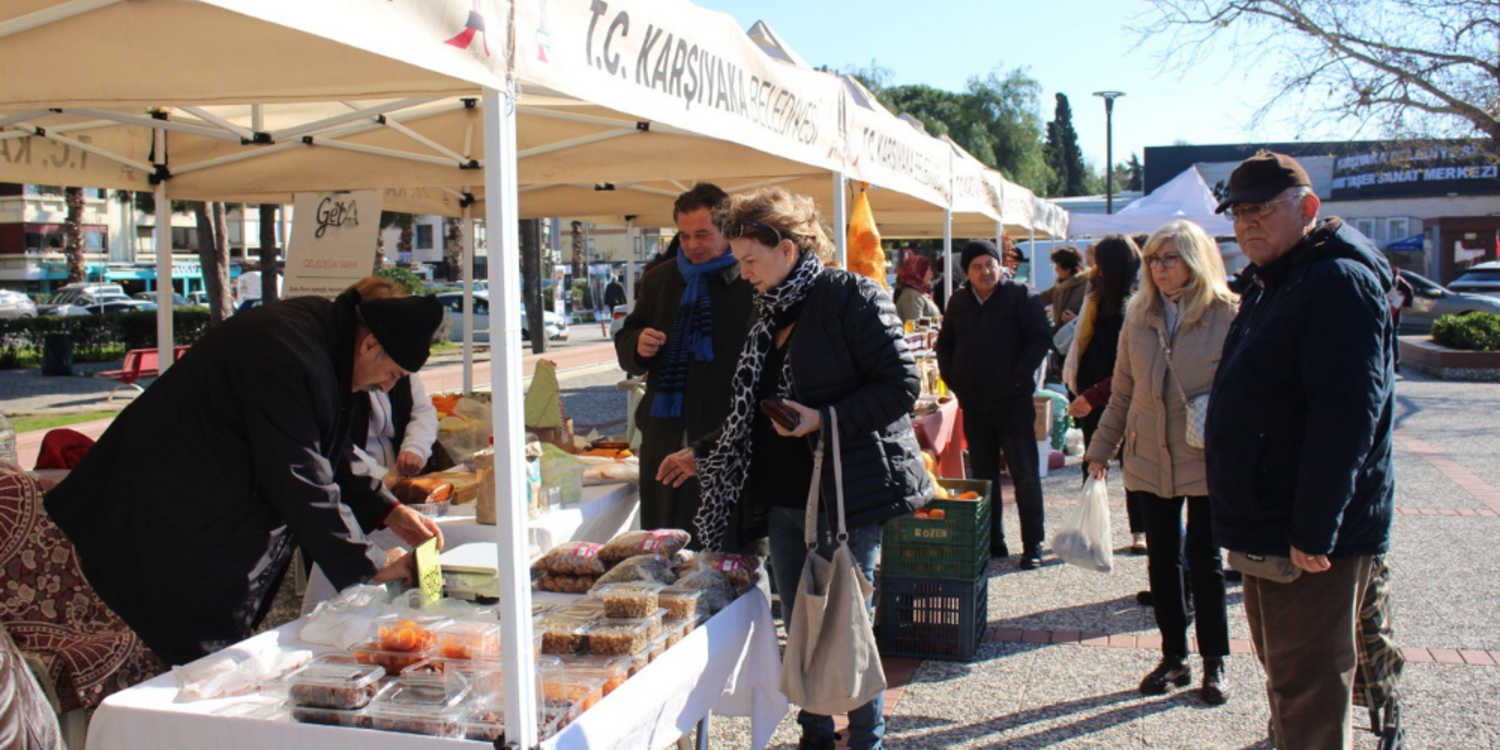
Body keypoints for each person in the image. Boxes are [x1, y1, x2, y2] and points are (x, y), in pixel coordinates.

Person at [40, 283, 447, 666]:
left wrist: (386, 509)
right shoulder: (293, 356)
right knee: (179, 662)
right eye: (391, 373)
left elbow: (329, 449)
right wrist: (369, 562)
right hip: (163, 519)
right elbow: (299, 473)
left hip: (193, 515)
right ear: (370, 343)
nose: (386, 386)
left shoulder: (325, 340)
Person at [657, 186, 932, 750]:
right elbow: (752, 411)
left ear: (787, 247)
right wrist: (705, 450)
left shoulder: (851, 294)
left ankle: (865, 738)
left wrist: (822, 419)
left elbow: (903, 385)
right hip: (783, 498)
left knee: (845, 622)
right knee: (802, 623)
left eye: (751, 260)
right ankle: (812, 734)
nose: (745, 272)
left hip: (844, 494)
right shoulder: (770, 307)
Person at [1206, 151, 1396, 749]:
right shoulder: (1277, 278)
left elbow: (1346, 418)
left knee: (1308, 685)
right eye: (1238, 211)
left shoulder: (1336, 281)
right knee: (1287, 674)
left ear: (1308, 208)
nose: (1246, 223)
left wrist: (1316, 528)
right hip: (1269, 519)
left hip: (1307, 533)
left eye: (1262, 208)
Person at [1084, 220, 1238, 705]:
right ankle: (1175, 657)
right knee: (1161, 561)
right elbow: (1123, 390)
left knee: (1205, 561)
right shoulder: (1139, 314)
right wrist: (1099, 451)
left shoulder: (1228, 314)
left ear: (1196, 260)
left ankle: (1215, 661)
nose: (1159, 267)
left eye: (1170, 258)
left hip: (1204, 454)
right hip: (1148, 454)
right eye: (1153, 259)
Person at [614, 184, 755, 545]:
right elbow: (627, 342)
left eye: (703, 235)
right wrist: (638, 344)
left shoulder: (750, 279)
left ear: (727, 230)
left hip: (723, 435)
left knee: (723, 545)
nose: (692, 245)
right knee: (664, 541)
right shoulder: (661, 279)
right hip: (665, 432)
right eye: (685, 235)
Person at [936, 239, 1052, 568]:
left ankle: (1033, 544)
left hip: (1012, 402)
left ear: (1000, 265)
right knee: (984, 478)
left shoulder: (1020, 295)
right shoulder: (959, 301)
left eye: (991, 264)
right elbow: (945, 343)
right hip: (974, 403)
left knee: (1024, 474)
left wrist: (1018, 374)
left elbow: (1041, 336)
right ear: (967, 272)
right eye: (978, 266)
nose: (986, 271)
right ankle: (992, 541)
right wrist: (953, 377)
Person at [1064, 235, 1147, 552]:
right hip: (1104, 388)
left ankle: (1098, 530)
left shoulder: (1129, 302)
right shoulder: (1103, 296)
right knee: (1126, 460)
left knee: (1100, 458)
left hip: (1107, 388)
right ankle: (1133, 531)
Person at [345, 277, 439, 482]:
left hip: (392, 474)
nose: (386, 386)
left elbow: (422, 409)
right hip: (361, 481)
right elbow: (341, 446)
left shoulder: (401, 361)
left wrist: (415, 447)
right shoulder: (341, 376)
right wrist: (383, 478)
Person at [1039, 246, 1088, 332]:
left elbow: (1094, 316)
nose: (1056, 269)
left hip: (1077, 337)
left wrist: (1075, 320)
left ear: (1068, 269)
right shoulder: (1058, 287)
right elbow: (1039, 299)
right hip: (1061, 338)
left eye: (1058, 265)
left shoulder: (1086, 286)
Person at [893, 254, 941, 322]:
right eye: (927, 270)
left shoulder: (918, 293)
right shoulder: (911, 296)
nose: (931, 273)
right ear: (918, 272)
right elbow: (916, 325)